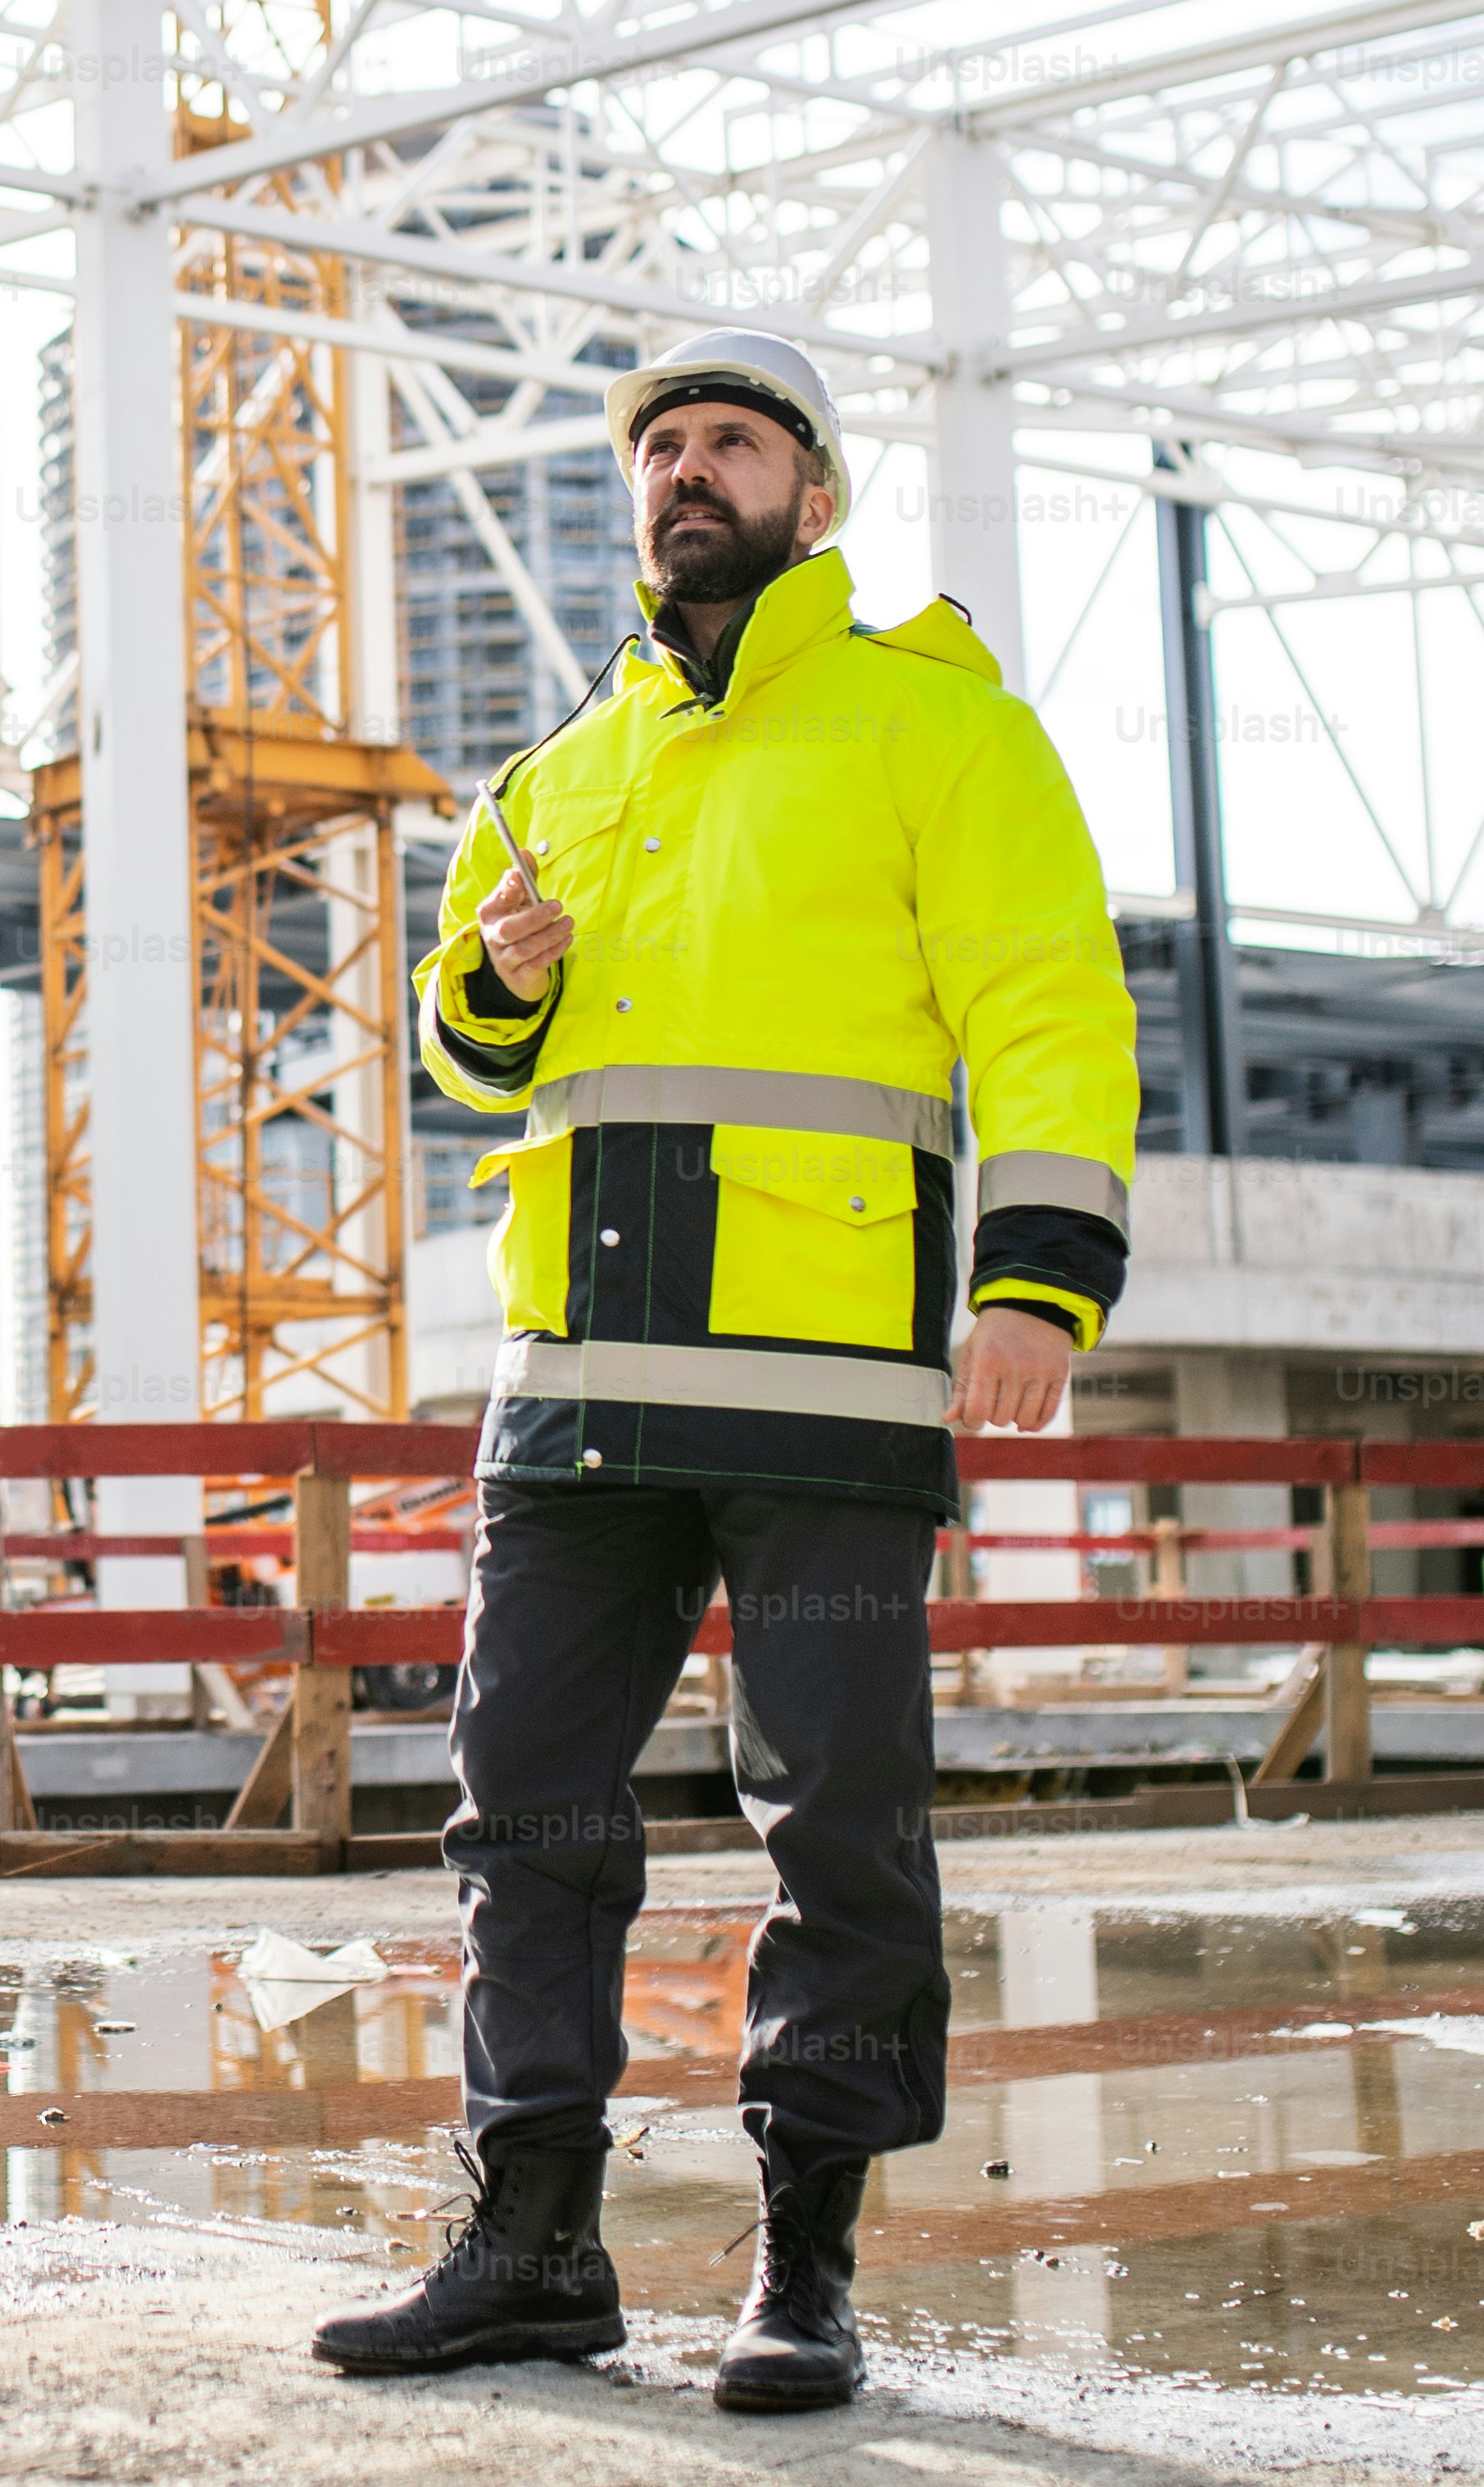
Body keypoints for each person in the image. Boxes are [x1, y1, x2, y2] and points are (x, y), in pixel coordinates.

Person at [311, 328, 1137, 2408]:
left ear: (816, 495)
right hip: (573, 1381)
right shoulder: (560, 768)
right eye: (661, 444)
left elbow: (1047, 999)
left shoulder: (935, 729)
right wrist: (488, 987)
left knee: (837, 1824)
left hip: (830, 1382)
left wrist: (1036, 1280)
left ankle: (806, 2267)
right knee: (521, 1819)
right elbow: (452, 1053)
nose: (690, 470)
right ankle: (530, 2247)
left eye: (734, 442)